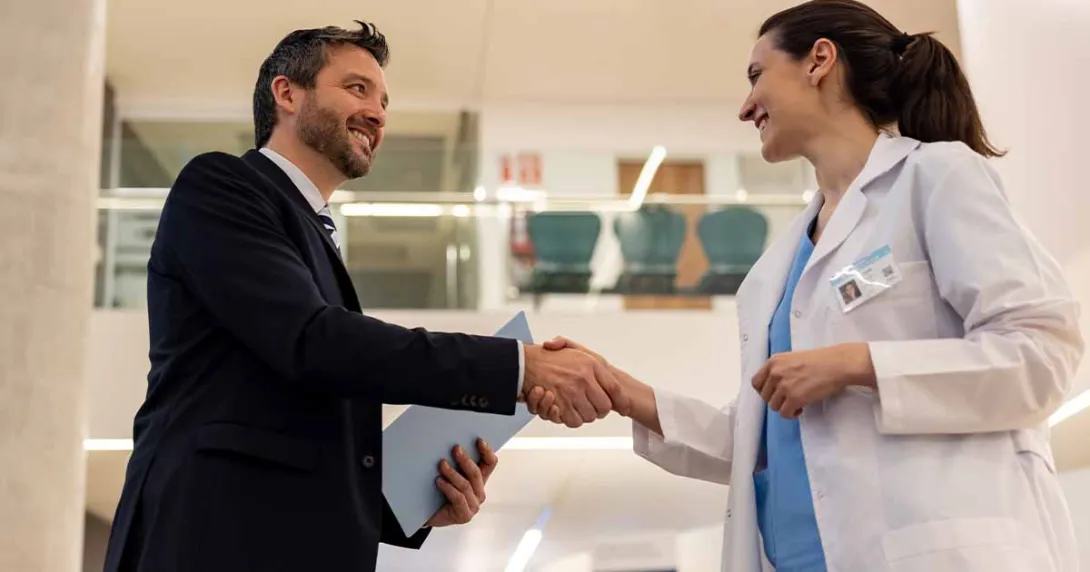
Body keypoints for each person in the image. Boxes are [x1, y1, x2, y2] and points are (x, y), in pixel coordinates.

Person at [530, 1, 1083, 570]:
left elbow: (1040, 356)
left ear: (820, 60)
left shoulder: (935, 176)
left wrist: (856, 363)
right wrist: (623, 393)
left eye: (755, 76)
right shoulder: (778, 263)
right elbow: (762, 439)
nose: (746, 108)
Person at [102, 21, 625, 572]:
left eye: (383, 101)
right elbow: (314, 344)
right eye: (356, 89)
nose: (377, 114)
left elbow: (294, 435)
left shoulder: (311, 231)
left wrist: (406, 505)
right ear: (287, 93)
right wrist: (519, 369)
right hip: (206, 543)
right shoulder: (223, 187)